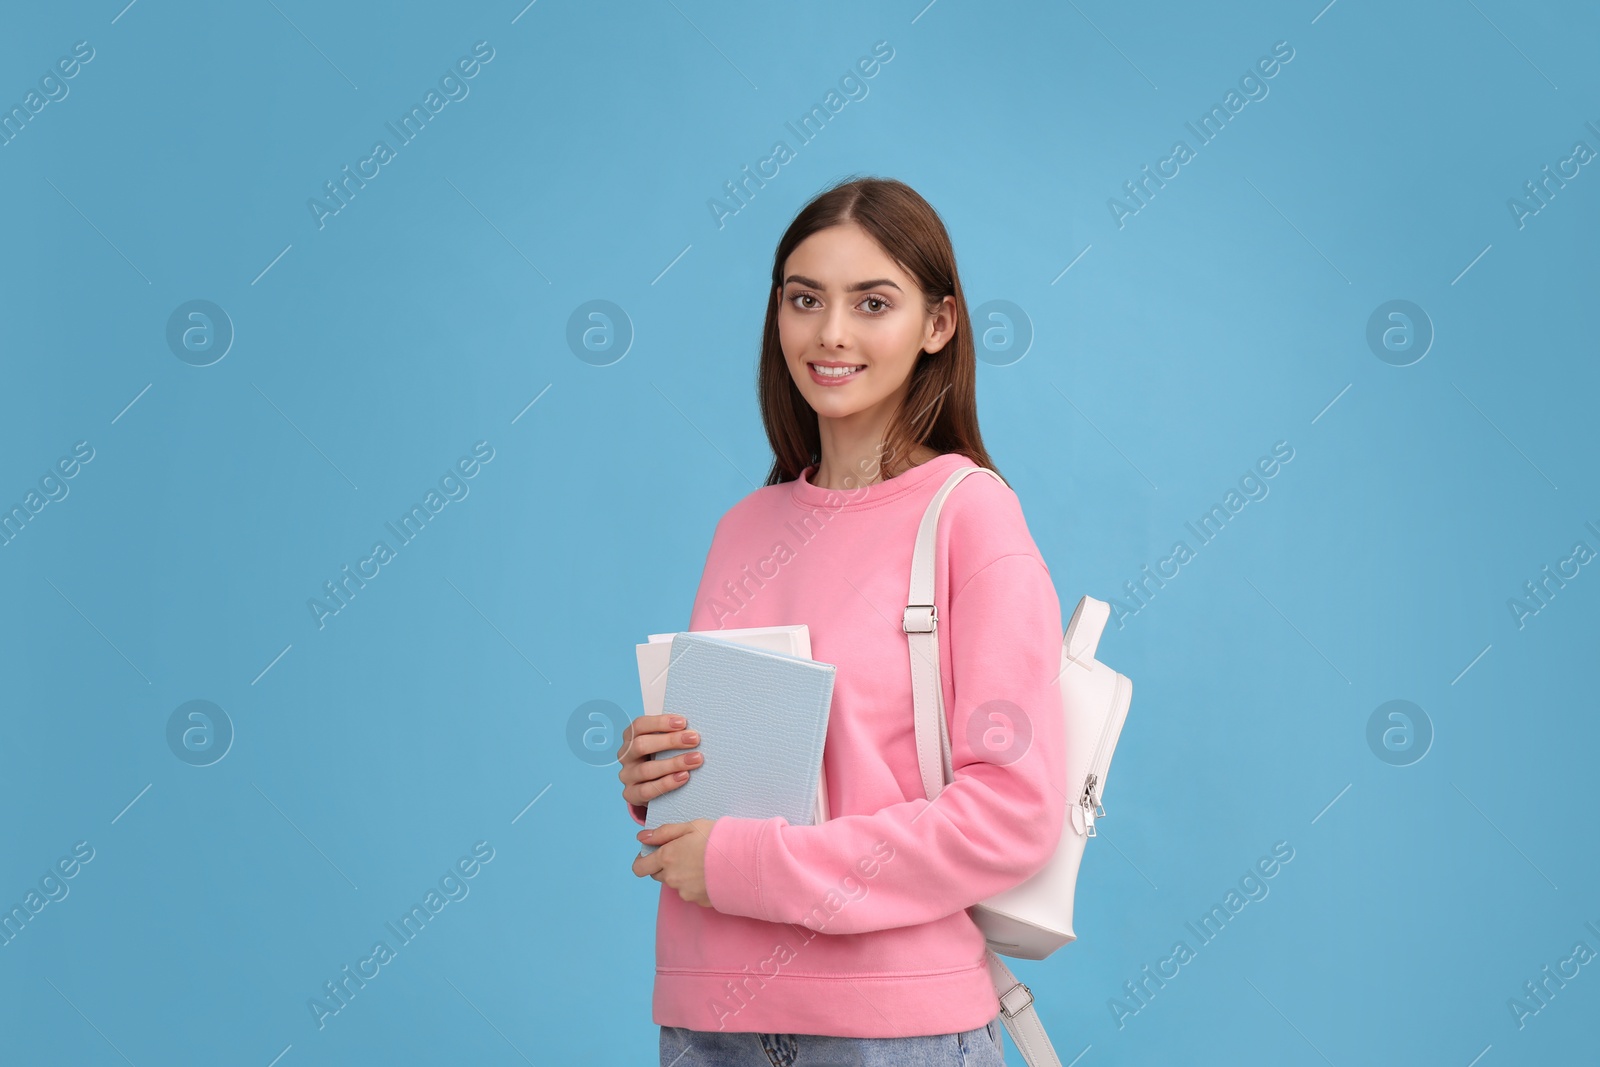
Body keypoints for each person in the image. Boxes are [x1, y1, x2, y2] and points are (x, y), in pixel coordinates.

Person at [618, 175, 1066, 1066]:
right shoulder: (745, 527)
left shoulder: (971, 517)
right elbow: (753, 782)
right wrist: (660, 771)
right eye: (804, 299)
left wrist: (746, 866)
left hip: (891, 1026)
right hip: (709, 1011)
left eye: (873, 302)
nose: (830, 333)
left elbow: (1013, 812)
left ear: (939, 324)